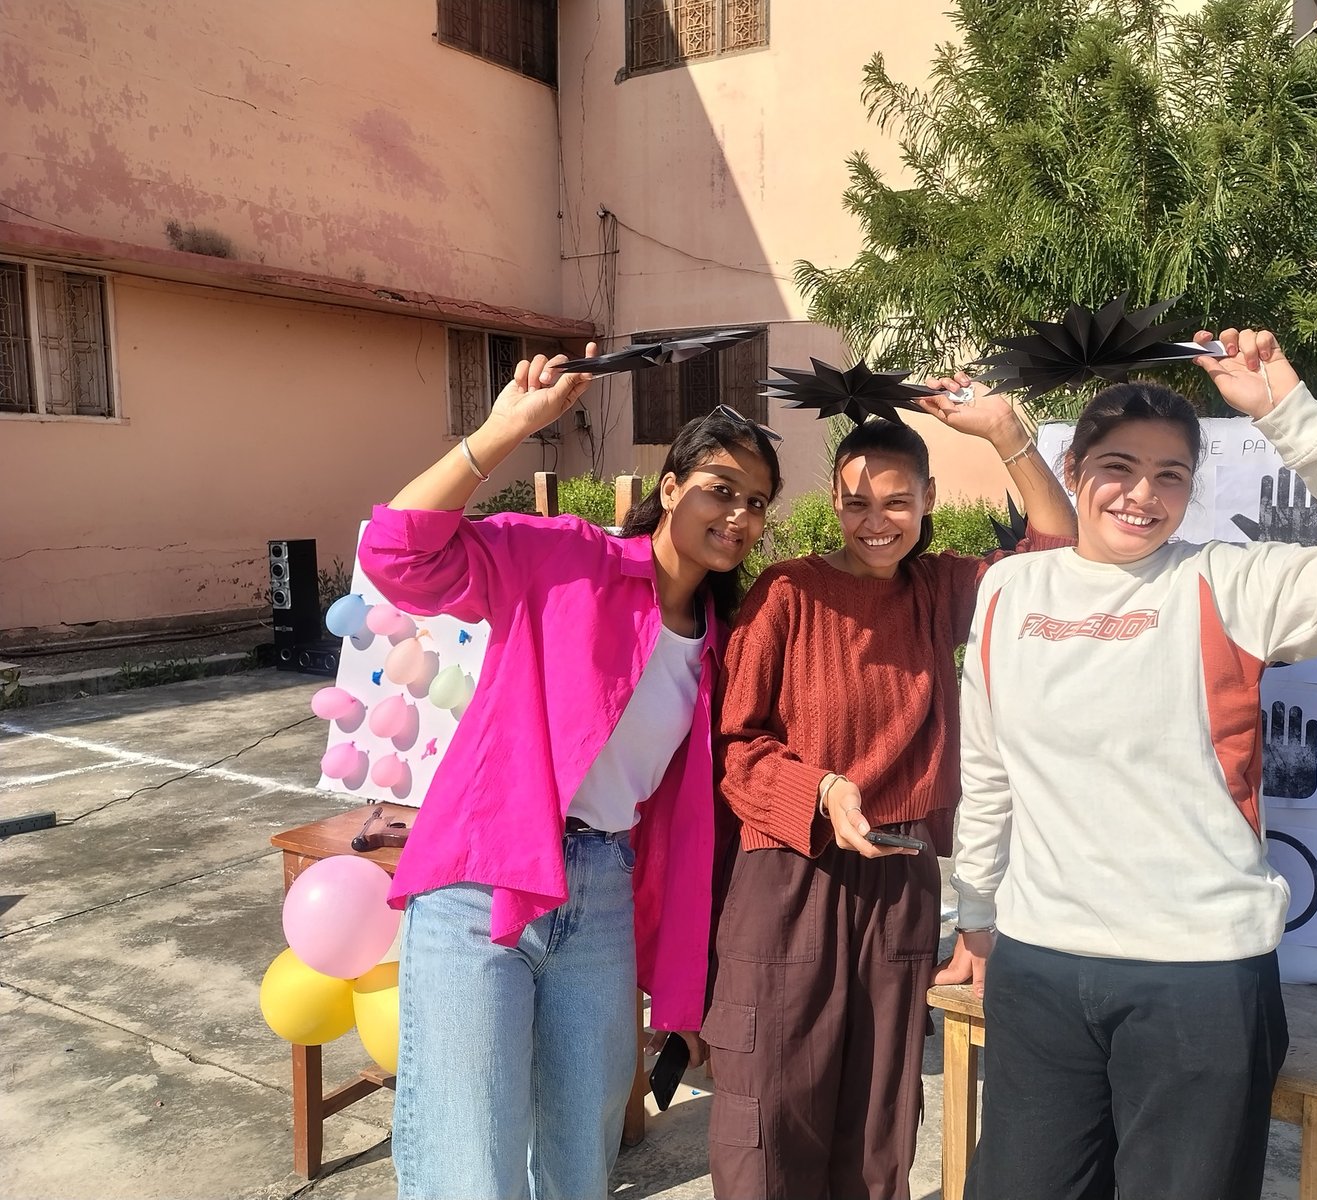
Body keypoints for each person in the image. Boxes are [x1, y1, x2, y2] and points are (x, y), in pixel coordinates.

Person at [947, 327, 1317, 1200]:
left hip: (1198, 977)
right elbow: (987, 768)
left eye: (1170, 476)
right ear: (1074, 470)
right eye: (1117, 467)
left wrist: (1287, 413)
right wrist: (978, 909)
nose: (1142, 495)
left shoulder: (1227, 585)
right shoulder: (1010, 590)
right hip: (1040, 963)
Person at [357, 345, 782, 1200]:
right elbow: (397, 554)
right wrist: (503, 431)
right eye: (721, 489)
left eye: (757, 503)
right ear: (671, 487)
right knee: (469, 1162)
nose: (738, 516)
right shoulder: (567, 559)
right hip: (484, 877)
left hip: (602, 893)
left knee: (581, 1159)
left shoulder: (724, 639)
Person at [705, 372, 1077, 1200]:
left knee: (879, 1118)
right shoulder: (787, 592)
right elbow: (735, 748)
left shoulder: (939, 590)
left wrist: (1005, 432)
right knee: (772, 1111)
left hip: (900, 880)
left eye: (897, 503)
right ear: (834, 504)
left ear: (928, 500)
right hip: (789, 872)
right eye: (857, 504)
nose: (876, 522)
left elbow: (1056, 556)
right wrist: (821, 791)